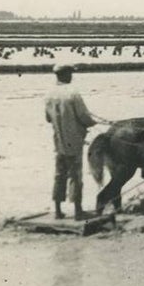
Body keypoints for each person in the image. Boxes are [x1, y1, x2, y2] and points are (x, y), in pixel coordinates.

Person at [44, 63, 99, 220]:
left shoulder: (49, 94)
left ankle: (58, 211)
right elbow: (83, 116)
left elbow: (48, 118)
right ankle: (78, 211)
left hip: (58, 141)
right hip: (73, 141)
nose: (71, 76)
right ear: (66, 74)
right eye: (70, 73)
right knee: (76, 175)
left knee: (59, 174)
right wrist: (91, 123)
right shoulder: (73, 93)